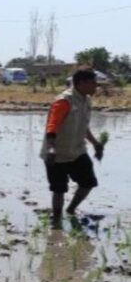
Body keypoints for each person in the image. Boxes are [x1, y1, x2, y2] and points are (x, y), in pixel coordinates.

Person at [41, 69, 103, 219]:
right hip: (57, 153)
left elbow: (83, 126)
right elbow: (52, 125)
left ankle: (70, 210)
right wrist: (51, 149)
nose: (96, 86)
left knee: (88, 182)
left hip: (77, 152)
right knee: (59, 189)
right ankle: (56, 221)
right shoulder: (64, 101)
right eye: (93, 83)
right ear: (82, 83)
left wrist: (95, 143)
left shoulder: (85, 100)